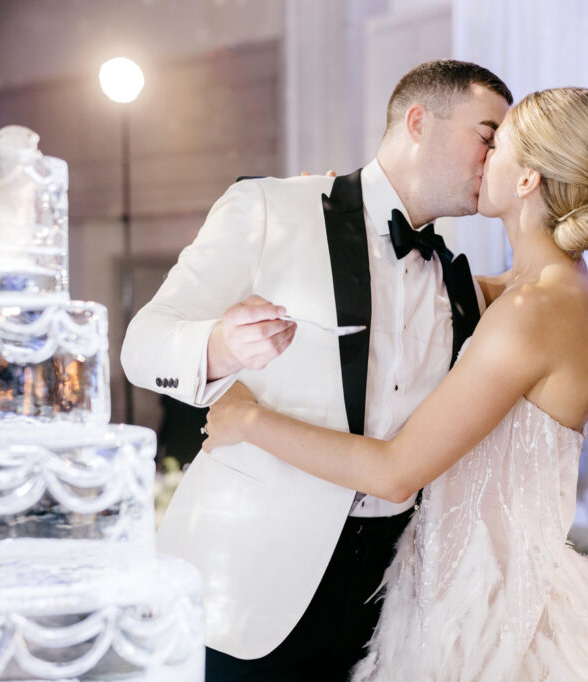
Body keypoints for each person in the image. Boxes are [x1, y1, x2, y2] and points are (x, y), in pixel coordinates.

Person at [203, 87, 588, 680]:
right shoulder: (568, 291)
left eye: (495, 145)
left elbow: (395, 473)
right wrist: (337, 224)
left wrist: (246, 421)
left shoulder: (535, 310)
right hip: (481, 590)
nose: (481, 158)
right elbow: (438, 295)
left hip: (482, 626)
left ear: (526, 181)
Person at [120, 60, 512, 679]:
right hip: (246, 582)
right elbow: (141, 344)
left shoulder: (460, 284)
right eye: (487, 136)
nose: (494, 160)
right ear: (418, 122)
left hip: (384, 601)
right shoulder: (271, 207)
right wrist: (219, 346)